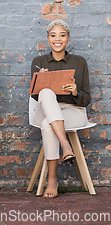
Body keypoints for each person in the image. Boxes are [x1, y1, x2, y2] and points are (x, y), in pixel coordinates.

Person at [30, 19, 91, 198]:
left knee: (48, 125)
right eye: (53, 35)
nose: (58, 39)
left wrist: (75, 92)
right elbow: (35, 96)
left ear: (68, 39)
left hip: (73, 111)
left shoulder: (80, 62)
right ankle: (65, 145)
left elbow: (86, 99)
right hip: (46, 108)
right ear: (48, 39)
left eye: (62, 35)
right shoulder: (39, 61)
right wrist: (40, 83)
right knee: (46, 93)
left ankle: (52, 180)